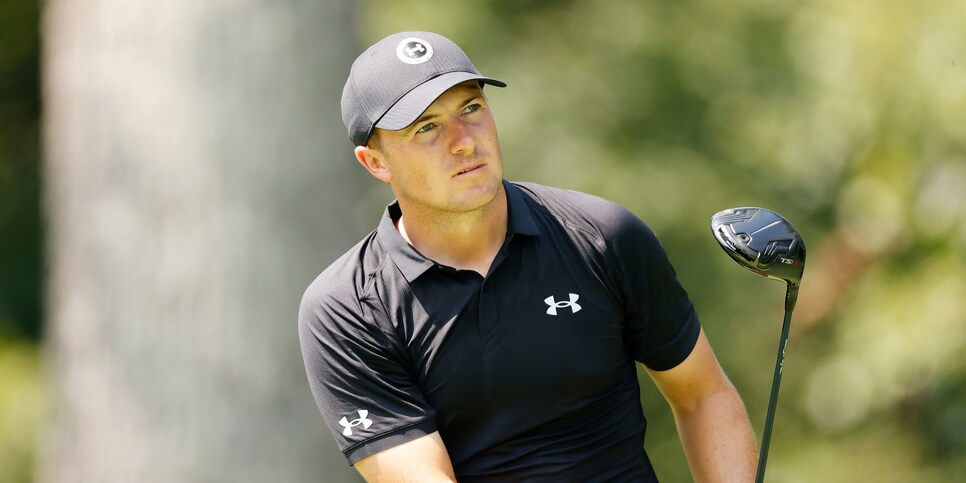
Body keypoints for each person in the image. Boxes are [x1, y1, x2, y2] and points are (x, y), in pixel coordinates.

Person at [299, 31, 757, 482]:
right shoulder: (347, 308)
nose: (463, 141)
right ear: (375, 163)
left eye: (471, 109)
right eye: (427, 127)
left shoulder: (603, 237)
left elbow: (702, 396)